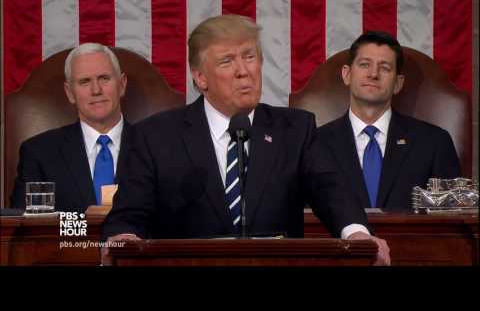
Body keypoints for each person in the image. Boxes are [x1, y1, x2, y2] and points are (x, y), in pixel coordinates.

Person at [102, 15, 390, 265]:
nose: (244, 70)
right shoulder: (155, 136)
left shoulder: (295, 129)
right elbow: (128, 214)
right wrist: (124, 238)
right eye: (227, 61)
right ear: (200, 77)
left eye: (250, 57)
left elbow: (331, 191)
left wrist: (358, 235)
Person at [316, 31, 461, 210]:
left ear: (398, 83)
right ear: (347, 75)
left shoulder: (434, 142)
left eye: (384, 67)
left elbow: (451, 221)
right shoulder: (315, 144)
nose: (373, 74)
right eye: (364, 64)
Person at [11, 43, 131, 213]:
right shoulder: (39, 153)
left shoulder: (154, 146)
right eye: (84, 82)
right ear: (69, 92)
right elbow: (26, 229)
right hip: (68, 240)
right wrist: (80, 224)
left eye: (104, 78)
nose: (96, 90)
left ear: (122, 84)